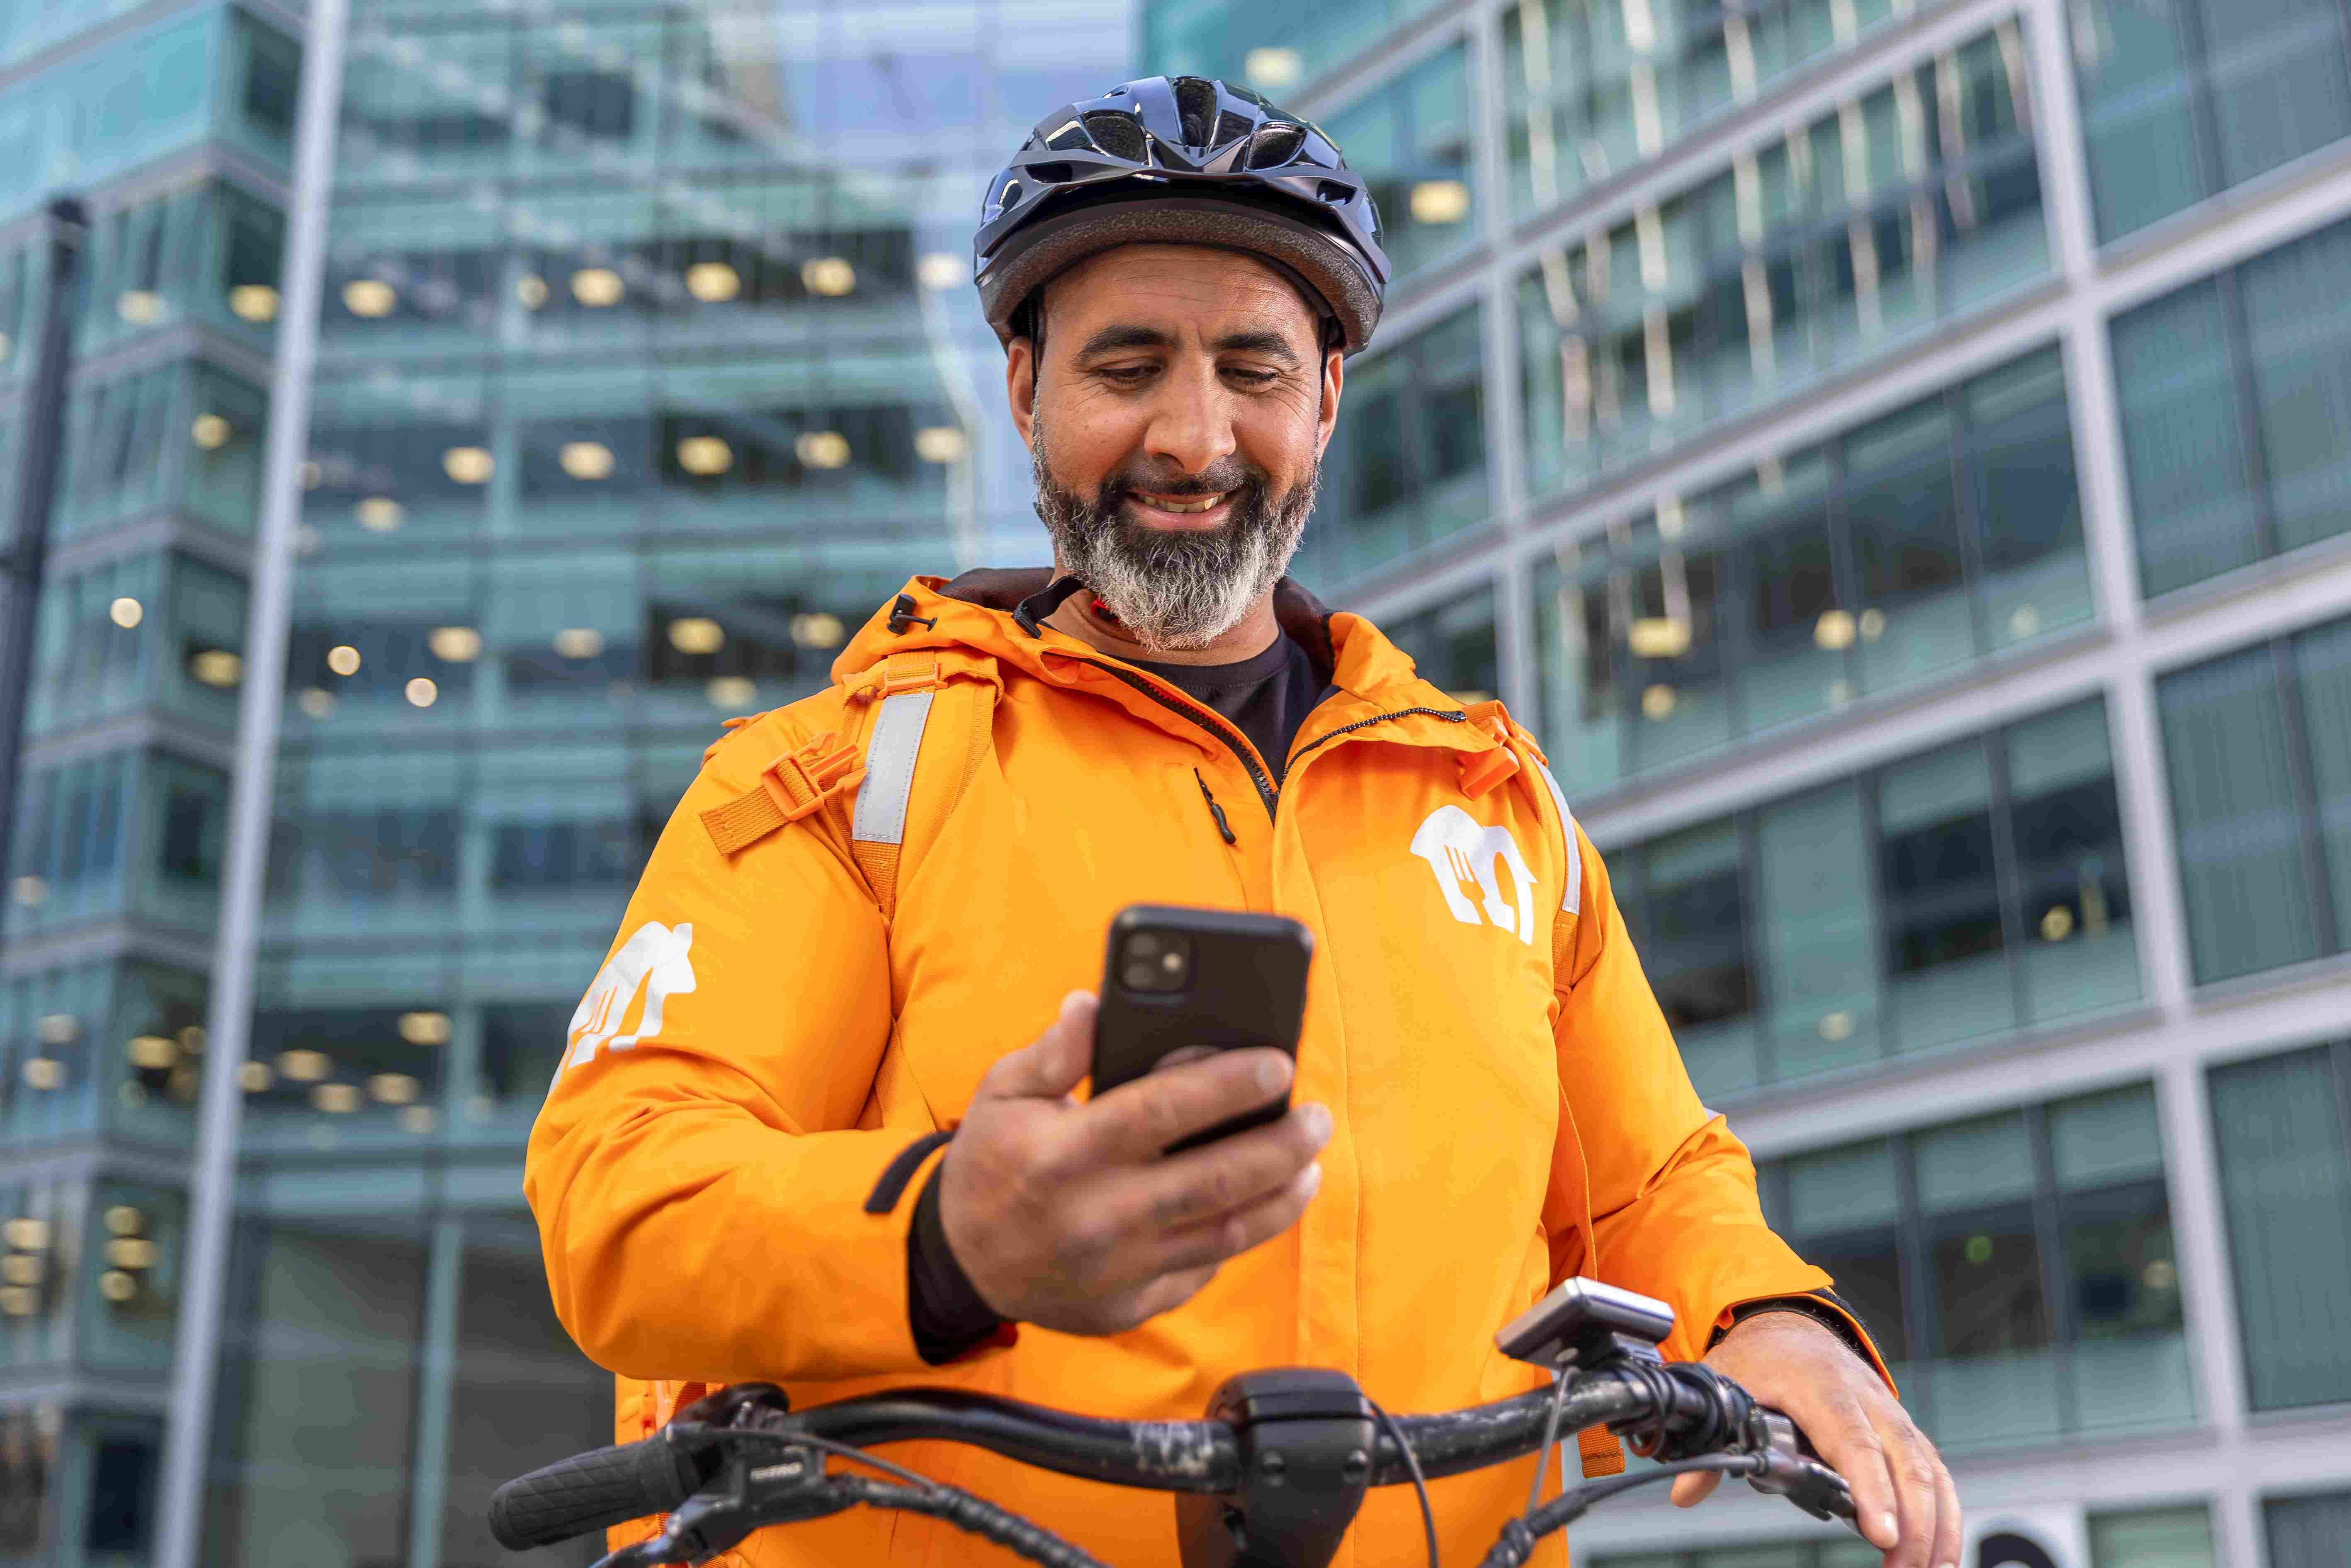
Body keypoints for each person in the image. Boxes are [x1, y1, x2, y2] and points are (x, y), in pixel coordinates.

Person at [525, 75, 1957, 1568]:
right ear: (1026, 389)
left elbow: (1654, 1186)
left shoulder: (1493, 807)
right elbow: (621, 1188)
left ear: (1325, 399)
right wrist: (948, 1235)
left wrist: (1776, 1323)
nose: (1194, 440)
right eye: (1128, 365)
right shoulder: (845, 773)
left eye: (1253, 369)